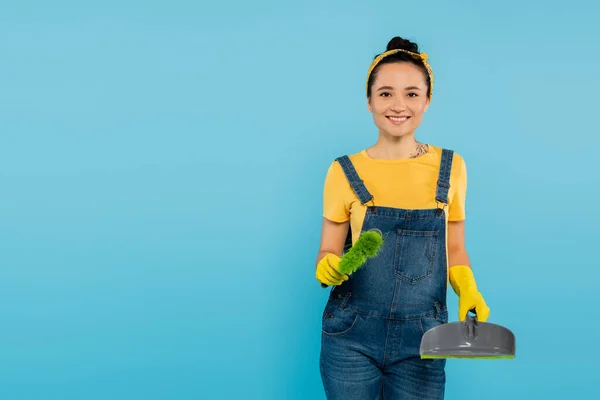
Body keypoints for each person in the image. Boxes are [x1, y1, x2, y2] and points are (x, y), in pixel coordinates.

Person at [315, 36, 491, 400]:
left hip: (423, 336)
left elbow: (455, 248)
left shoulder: (451, 167)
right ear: (369, 101)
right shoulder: (343, 171)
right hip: (350, 334)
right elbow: (327, 249)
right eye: (385, 94)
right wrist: (327, 265)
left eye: (411, 93)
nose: (398, 105)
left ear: (427, 100)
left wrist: (468, 288)